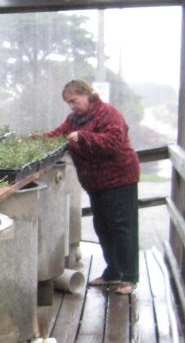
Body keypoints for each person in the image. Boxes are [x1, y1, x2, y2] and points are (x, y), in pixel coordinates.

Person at [38, 79, 140, 294]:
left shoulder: (108, 114)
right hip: (96, 182)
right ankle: (112, 272)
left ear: (87, 94)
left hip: (120, 179)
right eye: (68, 103)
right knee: (103, 226)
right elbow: (57, 135)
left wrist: (84, 137)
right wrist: (32, 140)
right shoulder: (75, 119)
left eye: (74, 100)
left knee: (122, 227)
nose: (72, 106)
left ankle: (129, 277)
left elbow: (114, 141)